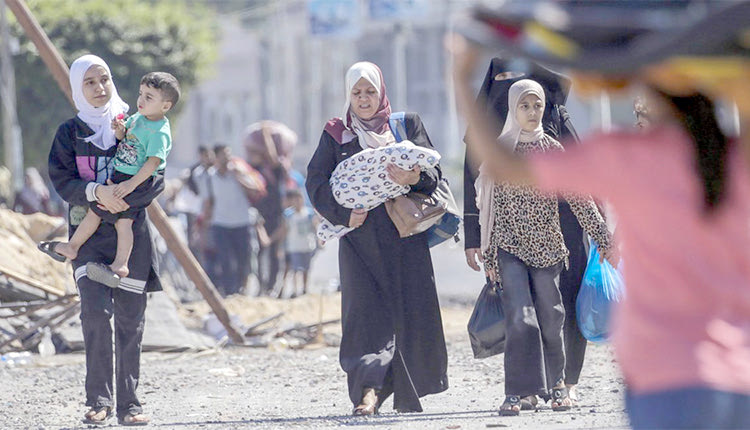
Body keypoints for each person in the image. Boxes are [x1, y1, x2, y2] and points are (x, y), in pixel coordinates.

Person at [451, 1, 750, 427]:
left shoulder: (627, 158)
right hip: (741, 380)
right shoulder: (739, 162)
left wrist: (462, 76)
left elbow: (501, 164)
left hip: (664, 380)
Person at [306, 61, 448, 415]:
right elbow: (316, 183)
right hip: (360, 241)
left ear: (381, 92)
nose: (364, 99)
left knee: (407, 312)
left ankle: (403, 391)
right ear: (348, 95)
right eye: (357, 92)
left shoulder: (404, 125)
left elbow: (434, 174)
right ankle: (366, 392)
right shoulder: (337, 133)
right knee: (364, 314)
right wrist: (344, 215)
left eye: (370, 91)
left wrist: (411, 178)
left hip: (404, 238)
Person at [474, 78, 613, 415]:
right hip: (510, 247)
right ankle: (517, 392)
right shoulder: (501, 153)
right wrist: (490, 256)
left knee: (551, 318)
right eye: (525, 105)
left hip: (549, 247)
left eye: (537, 105)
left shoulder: (553, 150)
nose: (533, 112)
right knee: (521, 317)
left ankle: (556, 386)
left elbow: (580, 200)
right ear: (513, 109)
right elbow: (491, 211)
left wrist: (604, 238)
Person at [43, 54, 164, 426]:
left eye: (104, 79)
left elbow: (156, 176)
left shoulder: (137, 125)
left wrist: (119, 197)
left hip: (131, 240)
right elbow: (62, 181)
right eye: (90, 82)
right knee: (96, 315)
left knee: (131, 320)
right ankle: (98, 401)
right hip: (87, 238)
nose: (99, 88)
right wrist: (95, 191)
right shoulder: (69, 133)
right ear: (79, 89)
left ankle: (130, 405)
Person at [40, 71, 179, 285]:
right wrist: (119, 131)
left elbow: (153, 163)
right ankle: (72, 246)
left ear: (165, 106)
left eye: (149, 97)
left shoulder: (159, 130)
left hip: (136, 182)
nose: (141, 100)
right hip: (120, 177)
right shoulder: (137, 118)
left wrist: (131, 185)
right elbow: (125, 138)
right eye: (141, 94)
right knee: (96, 211)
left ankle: (120, 265)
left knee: (124, 222)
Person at [202, 144, 265, 296]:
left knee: (243, 260)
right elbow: (208, 203)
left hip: (241, 223)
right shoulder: (209, 177)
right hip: (220, 224)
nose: (227, 158)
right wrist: (204, 227)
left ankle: (241, 289)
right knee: (225, 261)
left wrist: (238, 177)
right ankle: (230, 292)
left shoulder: (240, 171)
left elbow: (255, 191)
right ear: (216, 158)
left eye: (228, 154)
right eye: (223, 155)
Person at [279, 188, 318, 298]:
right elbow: (284, 230)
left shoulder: (309, 213)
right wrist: (281, 246)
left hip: (307, 245)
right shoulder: (288, 215)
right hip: (294, 246)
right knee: (296, 269)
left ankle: (305, 289)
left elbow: (315, 227)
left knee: (306, 268)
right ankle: (295, 290)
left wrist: (318, 240)